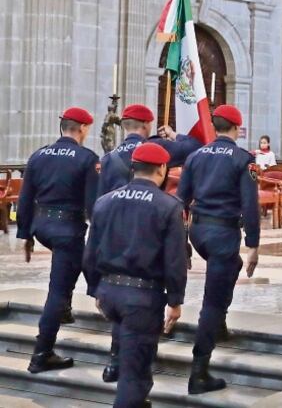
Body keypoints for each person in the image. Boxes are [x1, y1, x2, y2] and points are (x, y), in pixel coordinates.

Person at [95, 104, 201, 383]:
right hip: (149, 230)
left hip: (115, 232)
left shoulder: (109, 158)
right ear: (147, 125)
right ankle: (135, 368)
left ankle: (114, 362)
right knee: (138, 302)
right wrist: (175, 135)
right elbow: (197, 144)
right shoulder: (158, 149)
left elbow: (95, 201)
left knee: (120, 295)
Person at [83, 143, 187, 408]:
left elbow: (90, 251)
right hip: (141, 298)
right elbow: (174, 260)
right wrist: (175, 300)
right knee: (135, 375)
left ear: (133, 168)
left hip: (109, 292)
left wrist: (95, 288)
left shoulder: (104, 201)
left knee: (130, 358)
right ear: (162, 169)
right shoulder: (168, 206)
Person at [176, 105, 260, 394]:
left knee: (231, 267)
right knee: (212, 300)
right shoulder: (242, 159)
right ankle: (199, 370)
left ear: (215, 127)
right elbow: (250, 205)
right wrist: (253, 245)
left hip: (199, 231)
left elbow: (180, 200)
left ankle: (219, 324)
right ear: (237, 128)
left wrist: (182, 239)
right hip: (223, 231)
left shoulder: (195, 156)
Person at [17, 107, 99, 374]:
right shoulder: (86, 158)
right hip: (68, 229)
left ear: (62, 127)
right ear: (83, 128)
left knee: (68, 267)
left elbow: (25, 199)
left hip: (42, 226)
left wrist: (25, 235)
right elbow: (91, 205)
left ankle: (66, 308)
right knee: (58, 289)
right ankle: (42, 354)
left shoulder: (39, 155)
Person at [97, 104, 203, 200]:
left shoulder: (108, 158)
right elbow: (195, 147)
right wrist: (172, 134)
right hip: (150, 213)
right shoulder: (156, 147)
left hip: (117, 216)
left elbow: (100, 197)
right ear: (145, 124)